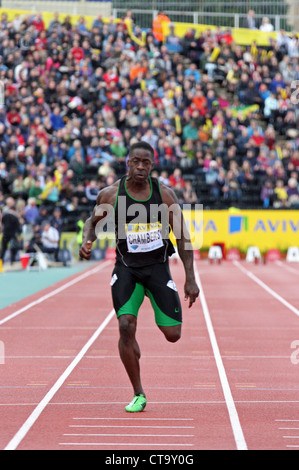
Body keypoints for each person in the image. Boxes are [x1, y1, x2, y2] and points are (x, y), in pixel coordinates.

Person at [79, 141, 199, 413]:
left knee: (173, 335)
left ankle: (133, 346)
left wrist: (190, 277)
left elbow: (182, 237)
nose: (141, 167)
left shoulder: (165, 196)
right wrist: (87, 241)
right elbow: (92, 222)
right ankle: (138, 393)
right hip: (127, 269)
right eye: (136, 161)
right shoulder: (111, 195)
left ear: (153, 165)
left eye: (147, 163)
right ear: (128, 163)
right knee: (125, 326)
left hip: (157, 269)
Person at [0, 197, 21, 264]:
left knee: (15, 247)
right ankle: (1, 263)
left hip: (14, 232)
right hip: (6, 232)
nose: (12, 203)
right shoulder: (4, 210)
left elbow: (18, 223)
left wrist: (19, 233)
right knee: (3, 248)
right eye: (10, 202)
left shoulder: (15, 211)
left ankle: (12, 261)